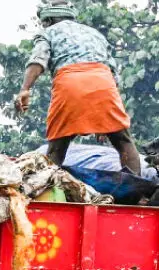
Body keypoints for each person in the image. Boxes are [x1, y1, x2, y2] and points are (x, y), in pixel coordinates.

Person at [15, 0, 141, 175]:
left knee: (56, 149)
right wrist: (104, 117)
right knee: (124, 142)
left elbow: (38, 59)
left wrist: (25, 89)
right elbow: (113, 73)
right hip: (104, 85)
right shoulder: (95, 34)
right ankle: (138, 193)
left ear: (49, 20)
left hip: (70, 85)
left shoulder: (48, 32)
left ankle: (48, 188)